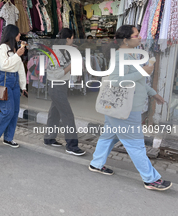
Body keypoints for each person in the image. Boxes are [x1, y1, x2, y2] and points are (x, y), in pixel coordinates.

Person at [89, 25, 172, 191]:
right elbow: (117, 80)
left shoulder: (131, 54)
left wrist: (153, 93)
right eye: (136, 34)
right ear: (126, 39)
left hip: (119, 107)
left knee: (109, 136)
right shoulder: (120, 56)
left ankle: (97, 163)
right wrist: (143, 71)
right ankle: (151, 179)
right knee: (135, 145)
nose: (140, 37)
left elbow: (137, 81)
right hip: (125, 108)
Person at [44, 28, 86, 156]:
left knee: (54, 112)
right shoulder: (57, 52)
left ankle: (49, 138)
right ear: (68, 38)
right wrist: (71, 65)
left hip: (60, 86)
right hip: (56, 85)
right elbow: (57, 74)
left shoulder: (64, 50)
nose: (73, 40)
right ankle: (71, 146)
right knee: (67, 115)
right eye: (72, 38)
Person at [0, 25, 27, 148]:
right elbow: (4, 65)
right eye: (18, 33)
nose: (20, 35)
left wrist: (23, 85)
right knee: (8, 111)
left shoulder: (13, 48)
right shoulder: (3, 48)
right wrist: (17, 55)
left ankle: (9, 138)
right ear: (12, 34)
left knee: (15, 112)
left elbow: (20, 67)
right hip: (5, 80)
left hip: (14, 80)